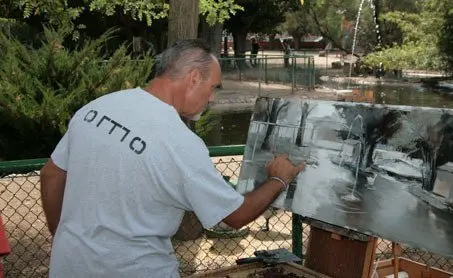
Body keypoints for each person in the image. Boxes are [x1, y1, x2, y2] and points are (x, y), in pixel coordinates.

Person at [39, 39, 305, 277]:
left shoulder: (98, 107)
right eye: (212, 87)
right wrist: (279, 178)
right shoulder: (180, 143)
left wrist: (61, 234)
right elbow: (234, 216)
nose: (211, 98)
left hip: (69, 264)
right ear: (192, 78)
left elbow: (51, 174)